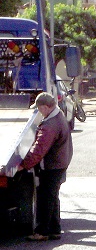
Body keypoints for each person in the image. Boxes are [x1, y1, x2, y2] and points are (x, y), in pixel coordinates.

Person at [10, 92, 74, 241]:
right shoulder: (59, 117)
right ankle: (54, 229)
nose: (39, 111)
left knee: (45, 198)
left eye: (39, 108)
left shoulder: (50, 125)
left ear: (46, 107)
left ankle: (42, 232)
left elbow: (39, 150)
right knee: (52, 197)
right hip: (59, 164)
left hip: (52, 166)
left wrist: (23, 165)